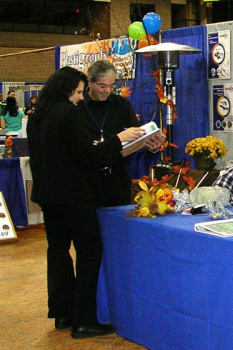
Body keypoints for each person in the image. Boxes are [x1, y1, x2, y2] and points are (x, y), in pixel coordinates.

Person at [27, 66, 146, 339]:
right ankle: (84, 320)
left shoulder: (37, 116)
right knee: (90, 254)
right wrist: (118, 140)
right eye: (79, 92)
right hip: (75, 197)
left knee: (57, 253)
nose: (81, 97)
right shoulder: (69, 114)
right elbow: (87, 155)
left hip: (49, 197)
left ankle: (62, 312)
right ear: (68, 89)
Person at [78, 60, 164, 207]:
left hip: (117, 180)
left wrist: (150, 144)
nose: (107, 91)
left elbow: (137, 137)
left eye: (112, 86)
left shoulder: (121, 104)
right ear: (89, 82)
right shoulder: (78, 106)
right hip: (87, 181)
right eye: (102, 86)